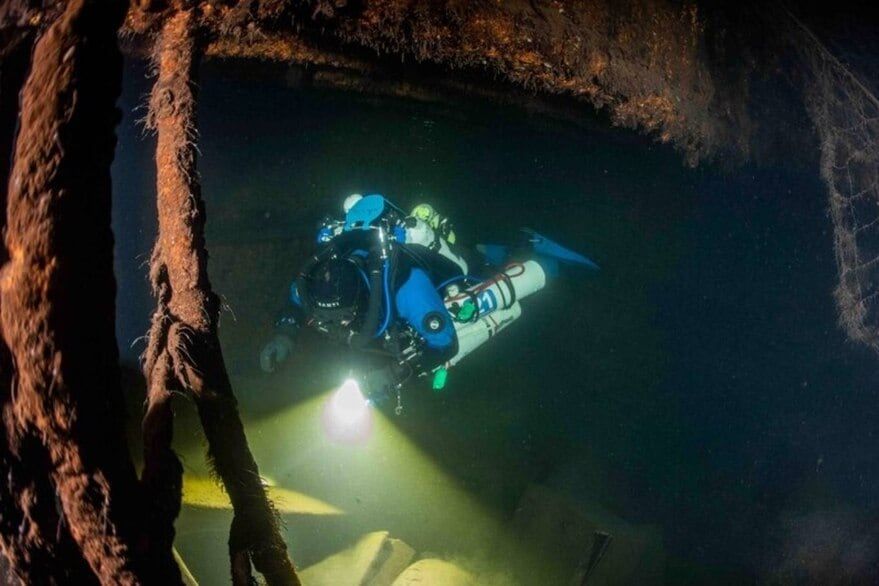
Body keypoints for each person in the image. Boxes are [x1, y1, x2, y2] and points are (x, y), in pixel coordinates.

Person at [260, 194, 468, 395]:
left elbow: (446, 344)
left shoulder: (405, 286)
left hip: (425, 290)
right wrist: (284, 337)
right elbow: (296, 302)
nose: (337, 327)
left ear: (362, 300)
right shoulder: (318, 281)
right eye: (324, 318)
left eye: (344, 318)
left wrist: (393, 375)